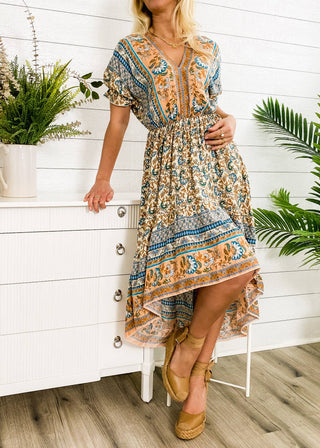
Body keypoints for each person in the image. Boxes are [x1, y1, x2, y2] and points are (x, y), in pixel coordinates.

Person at [83, 0, 264, 440]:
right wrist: (102, 178)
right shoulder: (129, 51)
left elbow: (215, 110)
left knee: (233, 267)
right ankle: (191, 371)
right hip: (170, 171)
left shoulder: (207, 47)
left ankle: (189, 361)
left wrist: (234, 121)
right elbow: (118, 123)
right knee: (216, 269)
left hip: (219, 167)